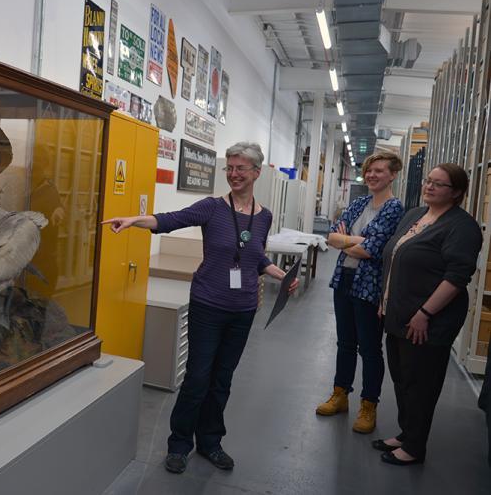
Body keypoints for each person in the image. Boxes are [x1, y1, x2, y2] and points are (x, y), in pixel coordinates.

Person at [102, 142, 299, 474]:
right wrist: (136, 219)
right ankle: (179, 444)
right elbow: (171, 219)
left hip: (243, 308)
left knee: (222, 380)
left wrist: (279, 273)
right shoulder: (211, 208)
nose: (234, 174)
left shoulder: (263, 216)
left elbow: (255, 257)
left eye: (241, 168)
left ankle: (210, 442)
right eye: (230, 168)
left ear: (256, 172)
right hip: (209, 304)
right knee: (197, 377)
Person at [374, 163, 482, 465]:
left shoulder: (462, 227)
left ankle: (414, 448)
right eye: (428, 181)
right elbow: (394, 258)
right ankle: (407, 433)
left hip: (427, 321)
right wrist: (385, 300)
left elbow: (457, 276)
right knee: (401, 378)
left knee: (421, 384)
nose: (429, 187)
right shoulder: (414, 215)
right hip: (398, 316)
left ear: (457, 192)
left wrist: (425, 312)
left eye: (439, 184)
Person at [316, 151, 404, 434]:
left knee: (369, 348)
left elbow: (371, 249)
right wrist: (352, 241)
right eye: (369, 170)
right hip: (345, 279)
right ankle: (340, 394)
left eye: (379, 170)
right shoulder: (359, 202)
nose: (372, 175)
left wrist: (347, 242)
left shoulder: (393, 209)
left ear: (393, 174)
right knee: (344, 343)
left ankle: (369, 405)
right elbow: (331, 237)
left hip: (369, 285)